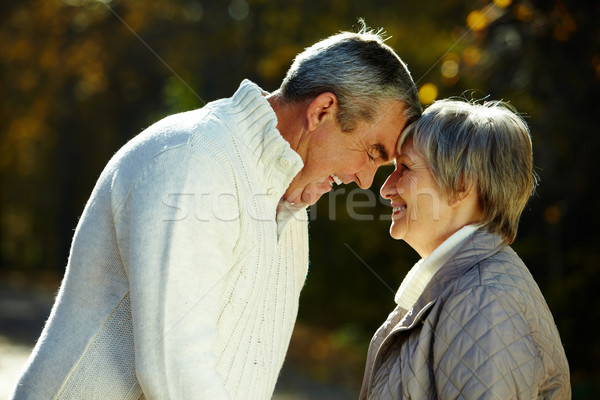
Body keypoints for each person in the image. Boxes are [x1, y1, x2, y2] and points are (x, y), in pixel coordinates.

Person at [10, 23, 421, 400]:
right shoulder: (194, 158)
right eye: (372, 152)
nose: (367, 180)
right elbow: (174, 369)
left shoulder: (290, 205)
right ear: (322, 111)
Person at [360, 99, 570, 399]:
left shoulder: (484, 300)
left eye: (404, 168)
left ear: (461, 185)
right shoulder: (460, 289)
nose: (386, 187)